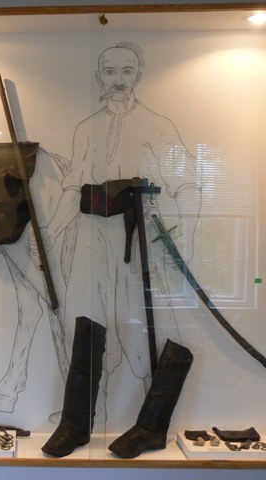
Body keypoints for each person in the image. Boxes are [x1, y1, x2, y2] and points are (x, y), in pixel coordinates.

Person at [41, 41, 200, 458]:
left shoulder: (158, 126)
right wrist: (50, 235)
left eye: (126, 71)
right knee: (88, 323)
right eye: (109, 72)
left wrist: (183, 236)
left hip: (141, 238)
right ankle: (75, 425)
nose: (118, 80)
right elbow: (72, 187)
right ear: (99, 77)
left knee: (150, 330)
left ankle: (151, 426)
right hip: (93, 237)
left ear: (139, 75)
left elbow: (187, 183)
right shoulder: (86, 128)